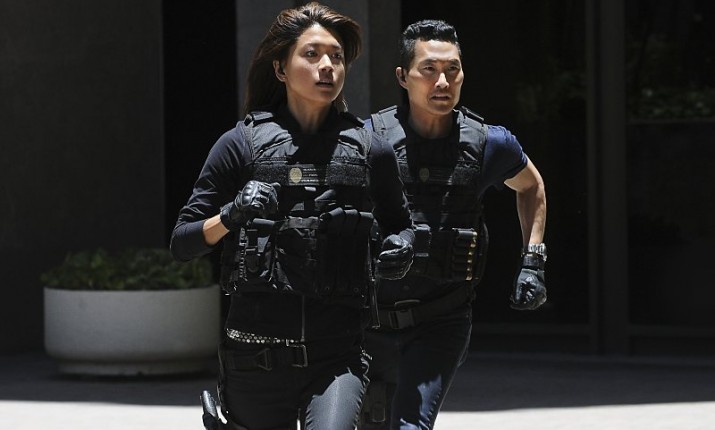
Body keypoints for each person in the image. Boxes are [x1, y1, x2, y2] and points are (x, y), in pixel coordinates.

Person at [170, 3, 415, 429]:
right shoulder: (240, 144)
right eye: (312, 54)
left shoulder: (369, 149)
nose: (328, 66)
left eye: (337, 57)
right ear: (280, 68)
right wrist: (231, 214)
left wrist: (402, 246)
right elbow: (182, 243)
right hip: (255, 359)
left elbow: (401, 225)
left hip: (337, 358)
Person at [358, 19, 548, 430]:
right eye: (429, 69)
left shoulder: (489, 144)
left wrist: (532, 261)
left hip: (440, 321)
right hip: (366, 323)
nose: (442, 81)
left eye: (452, 69)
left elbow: (531, 186)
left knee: (409, 425)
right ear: (402, 77)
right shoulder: (368, 141)